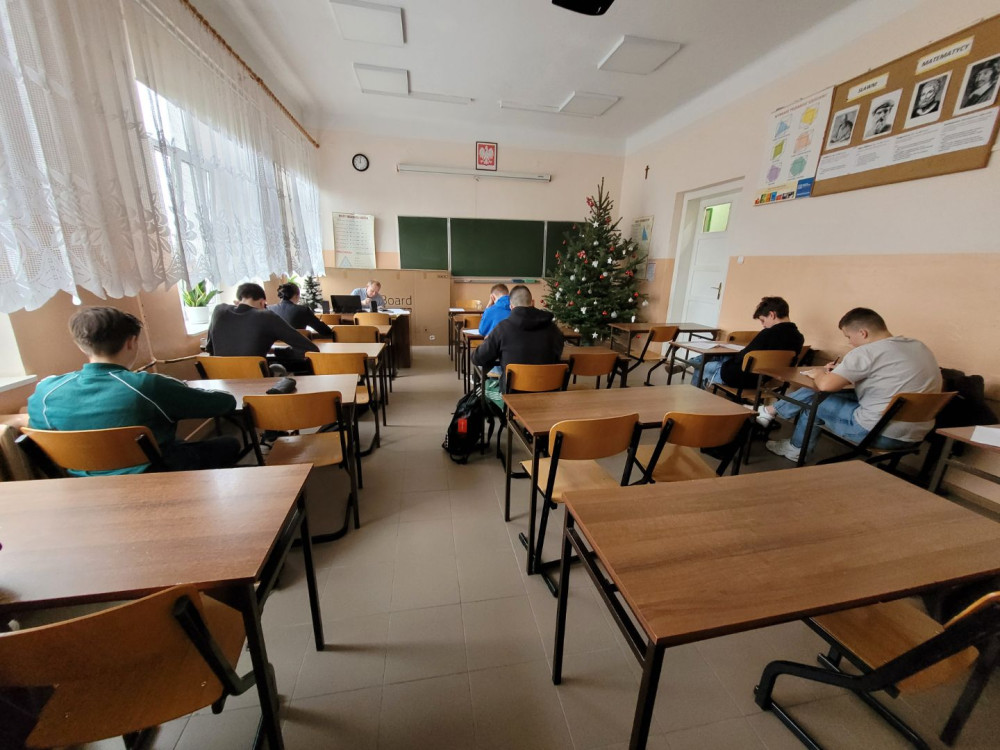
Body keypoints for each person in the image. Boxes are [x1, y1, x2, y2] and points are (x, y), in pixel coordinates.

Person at [27, 306, 240, 475]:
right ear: (131, 342)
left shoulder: (46, 392)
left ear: (81, 346)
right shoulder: (148, 386)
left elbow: (38, 428)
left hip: (85, 483)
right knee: (229, 444)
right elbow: (224, 404)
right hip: (156, 473)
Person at [756, 307, 942, 462]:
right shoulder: (918, 346)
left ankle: (793, 447)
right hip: (916, 434)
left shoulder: (866, 352)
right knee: (835, 393)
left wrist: (820, 373)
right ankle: (772, 412)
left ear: (863, 333)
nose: (850, 343)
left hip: (879, 433)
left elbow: (825, 385)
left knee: (816, 402)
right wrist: (842, 371)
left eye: (848, 337)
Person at [472, 284, 564, 408]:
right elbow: (558, 353)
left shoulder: (502, 329)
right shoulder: (553, 329)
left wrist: (488, 342)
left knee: (483, 387)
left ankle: (503, 415)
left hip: (513, 397)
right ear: (532, 302)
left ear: (511, 306)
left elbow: (478, 358)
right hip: (549, 395)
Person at [691, 297, 804, 389]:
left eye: (763, 320)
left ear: (772, 315)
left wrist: (733, 358)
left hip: (740, 377)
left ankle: (693, 391)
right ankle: (690, 362)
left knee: (702, 365)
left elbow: (742, 357)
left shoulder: (768, 333)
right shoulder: (799, 338)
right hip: (763, 379)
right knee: (721, 356)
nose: (763, 325)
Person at [206, 282, 318, 374]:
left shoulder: (218, 311)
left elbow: (210, 348)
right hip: (255, 382)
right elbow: (310, 348)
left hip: (221, 381)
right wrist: (278, 351)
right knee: (279, 371)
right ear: (262, 302)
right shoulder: (266, 316)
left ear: (239, 299)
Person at [269, 282, 334, 339]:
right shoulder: (303, 310)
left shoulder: (269, 309)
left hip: (274, 347)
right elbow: (325, 331)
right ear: (296, 296)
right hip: (298, 347)